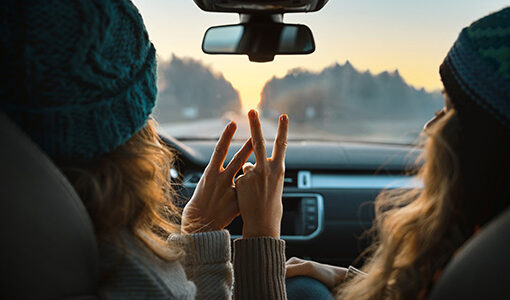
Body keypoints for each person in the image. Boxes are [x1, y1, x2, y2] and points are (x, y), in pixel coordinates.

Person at [0, 0, 289, 299]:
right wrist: (262, 234)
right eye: (146, 116)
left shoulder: (32, 244)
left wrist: (201, 231)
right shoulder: (139, 278)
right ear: (132, 128)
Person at [285, 6, 510, 300]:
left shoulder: (489, 262)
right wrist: (345, 276)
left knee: (301, 291)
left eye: (449, 109)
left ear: (487, 139)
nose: (430, 128)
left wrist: (261, 232)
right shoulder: (486, 248)